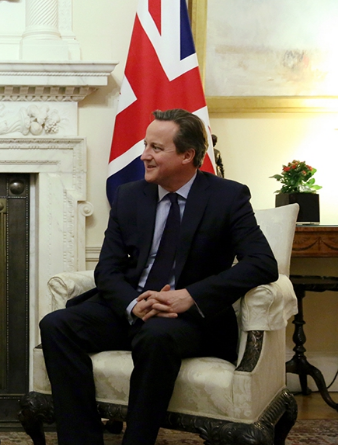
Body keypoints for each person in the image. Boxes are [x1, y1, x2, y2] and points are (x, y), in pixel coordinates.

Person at [39, 109, 278, 445]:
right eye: (145, 145)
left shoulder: (228, 197)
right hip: (132, 308)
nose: (144, 156)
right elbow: (106, 268)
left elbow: (262, 263)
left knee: (156, 336)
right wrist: (133, 303)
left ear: (187, 155)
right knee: (56, 325)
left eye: (155, 148)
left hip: (189, 320)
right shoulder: (130, 195)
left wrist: (190, 296)